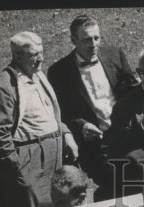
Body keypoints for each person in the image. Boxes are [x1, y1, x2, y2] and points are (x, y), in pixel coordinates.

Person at [0, 31, 79, 207]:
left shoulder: (38, 76)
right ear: (17, 56)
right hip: (30, 158)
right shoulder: (4, 85)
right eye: (34, 55)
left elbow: (51, 114)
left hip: (53, 154)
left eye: (41, 52)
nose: (41, 59)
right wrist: (17, 170)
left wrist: (65, 133)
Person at [47, 15, 138, 195]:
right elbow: (61, 113)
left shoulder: (114, 55)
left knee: (136, 181)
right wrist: (82, 126)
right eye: (87, 39)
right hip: (96, 145)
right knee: (113, 188)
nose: (94, 44)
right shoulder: (60, 72)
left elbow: (131, 90)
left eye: (97, 38)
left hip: (126, 134)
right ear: (73, 40)